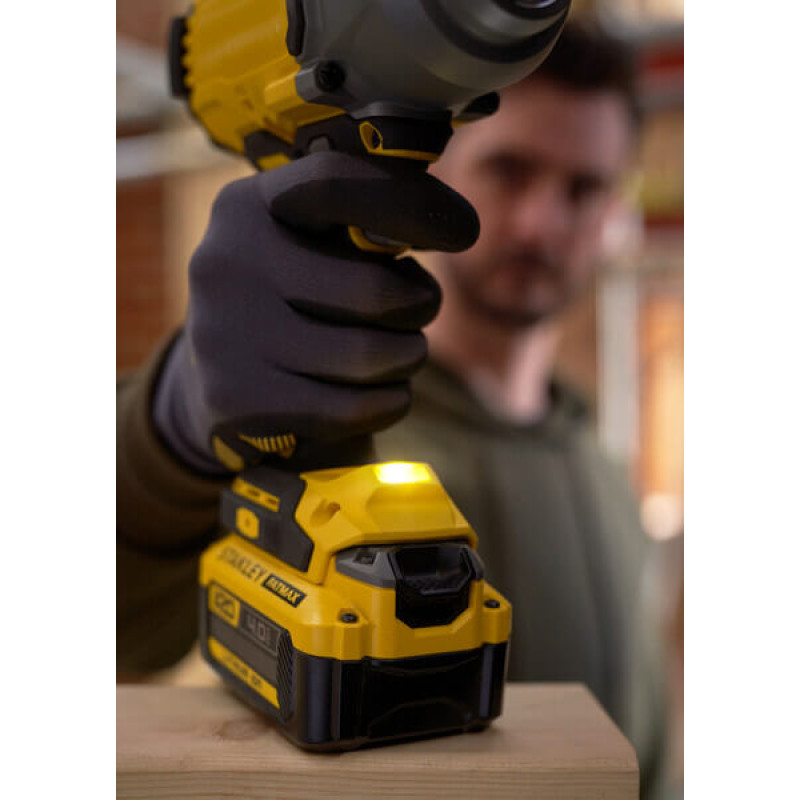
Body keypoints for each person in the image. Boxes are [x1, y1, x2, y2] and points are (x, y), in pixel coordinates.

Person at [117, 19, 671, 798]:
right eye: (509, 170)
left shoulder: (604, 466)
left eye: (582, 189)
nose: (541, 223)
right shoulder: (308, 436)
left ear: (615, 205)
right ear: (430, 159)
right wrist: (175, 421)